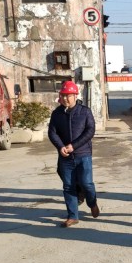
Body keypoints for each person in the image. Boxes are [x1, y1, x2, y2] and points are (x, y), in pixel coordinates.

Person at [48, 80, 100, 227]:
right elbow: (52, 133)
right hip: (65, 157)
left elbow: (90, 131)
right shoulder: (57, 114)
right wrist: (60, 147)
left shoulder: (85, 112)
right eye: (63, 95)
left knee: (86, 183)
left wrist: (74, 146)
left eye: (68, 95)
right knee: (68, 186)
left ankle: (92, 203)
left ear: (75, 96)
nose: (65, 98)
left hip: (83, 155)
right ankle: (73, 216)